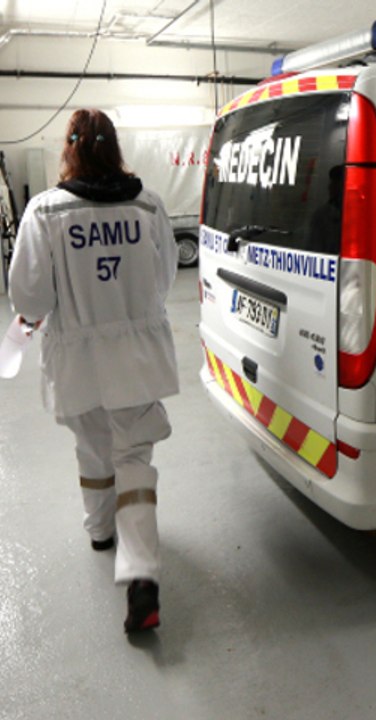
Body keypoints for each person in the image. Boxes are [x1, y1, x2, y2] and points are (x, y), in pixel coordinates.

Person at [9, 109, 179, 633]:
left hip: (78, 359)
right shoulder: (148, 205)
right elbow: (164, 278)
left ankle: (101, 531)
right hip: (137, 356)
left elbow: (30, 296)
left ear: (71, 148)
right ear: (114, 147)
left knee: (92, 449)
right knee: (133, 458)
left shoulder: (44, 211)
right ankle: (141, 577)